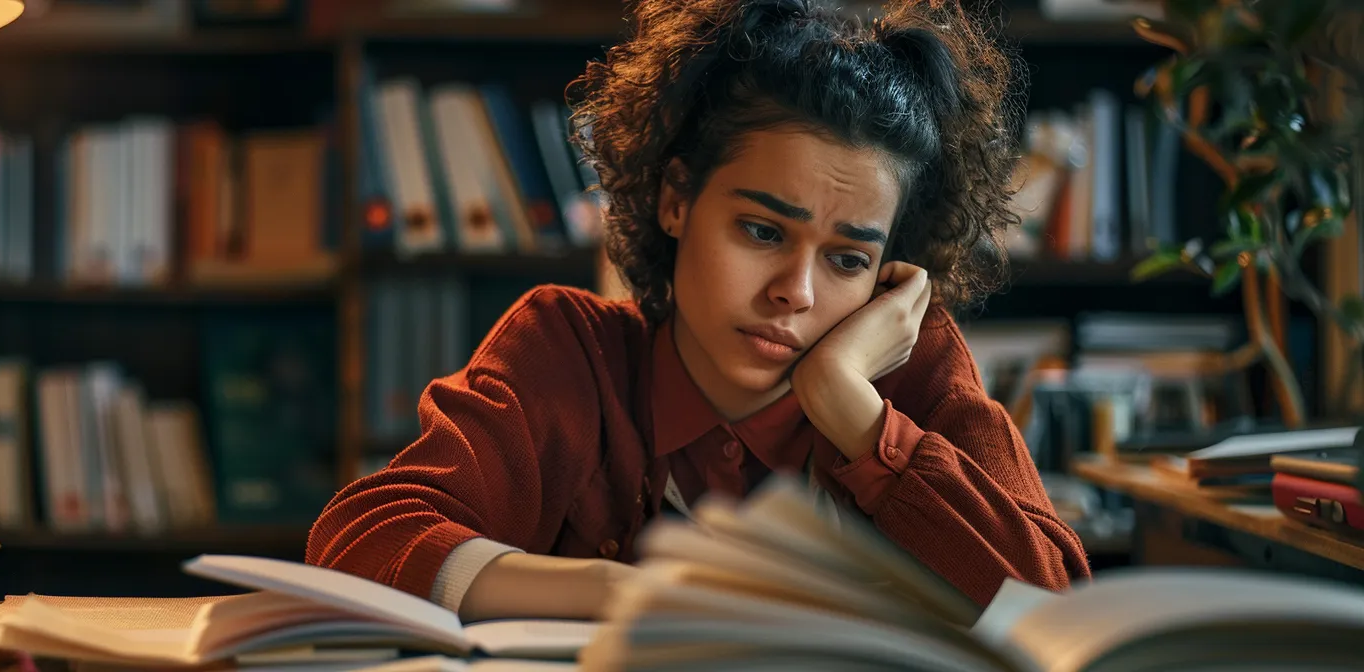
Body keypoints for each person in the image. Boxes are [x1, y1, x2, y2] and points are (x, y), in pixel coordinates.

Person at [307, 0, 1091, 621]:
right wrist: (618, 594)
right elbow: (360, 540)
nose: (798, 291)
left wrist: (851, 411)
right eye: (761, 230)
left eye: (848, 258)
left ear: (890, 271)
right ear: (677, 199)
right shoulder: (571, 351)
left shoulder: (912, 374)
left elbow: (1051, 602)